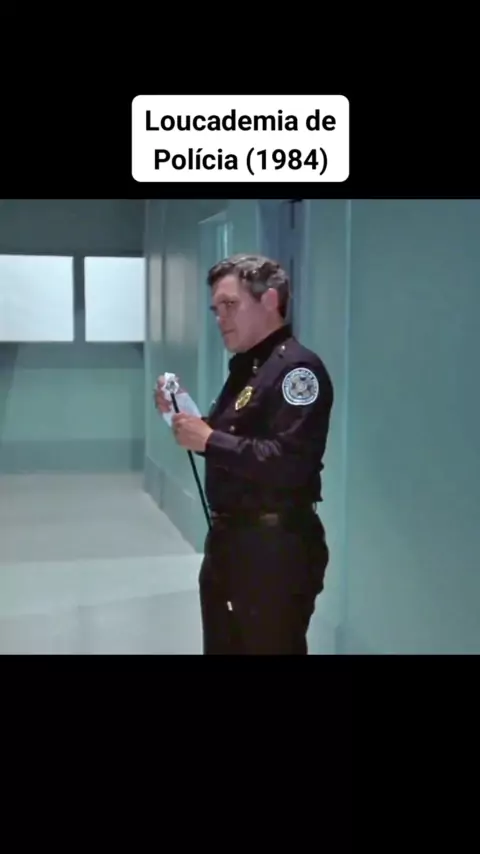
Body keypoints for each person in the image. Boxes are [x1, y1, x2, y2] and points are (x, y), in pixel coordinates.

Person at [154, 253, 334, 655]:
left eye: (230, 305)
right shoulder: (250, 367)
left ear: (269, 300)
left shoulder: (296, 371)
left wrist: (208, 440)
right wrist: (183, 417)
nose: (221, 318)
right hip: (231, 541)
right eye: (216, 309)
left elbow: (289, 462)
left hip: (273, 548)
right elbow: (233, 437)